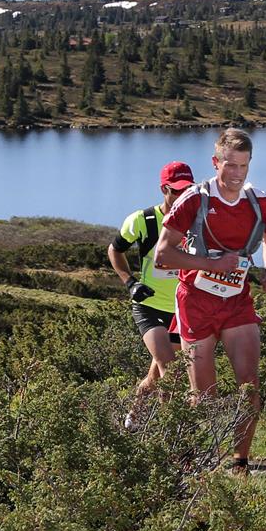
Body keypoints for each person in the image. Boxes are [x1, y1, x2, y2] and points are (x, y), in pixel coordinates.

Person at [153, 127, 266, 475]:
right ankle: (192, 460)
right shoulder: (194, 199)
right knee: (203, 396)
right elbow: (162, 256)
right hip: (196, 303)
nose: (237, 174)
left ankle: (240, 463)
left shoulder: (260, 202)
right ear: (216, 162)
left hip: (237, 302)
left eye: (244, 166)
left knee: (249, 386)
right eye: (230, 165)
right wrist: (211, 264)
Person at [107, 160, 197, 425]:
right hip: (150, 307)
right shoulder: (143, 221)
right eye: (176, 191)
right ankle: (169, 435)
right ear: (163, 189)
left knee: (157, 375)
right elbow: (115, 250)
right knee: (172, 371)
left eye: (188, 190)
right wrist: (130, 282)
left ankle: (133, 416)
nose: (182, 197)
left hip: (183, 309)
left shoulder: (197, 222)